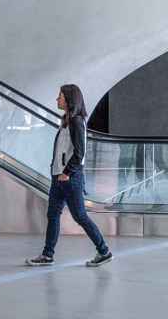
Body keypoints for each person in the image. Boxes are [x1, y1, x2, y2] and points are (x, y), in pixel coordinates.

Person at [25, 84, 112, 267]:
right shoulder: (66, 119)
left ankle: (104, 251)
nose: (57, 99)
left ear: (69, 99)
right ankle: (47, 255)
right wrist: (53, 165)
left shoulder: (77, 122)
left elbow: (79, 153)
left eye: (60, 96)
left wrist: (65, 173)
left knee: (80, 216)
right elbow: (62, 148)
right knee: (53, 216)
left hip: (70, 178)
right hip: (59, 177)